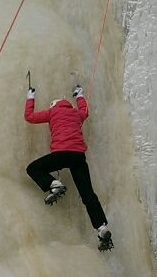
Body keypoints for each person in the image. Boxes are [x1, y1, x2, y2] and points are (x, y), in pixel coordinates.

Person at [24, 84, 113, 251]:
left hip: (61, 153)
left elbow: (29, 117)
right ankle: (102, 228)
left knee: (33, 168)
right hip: (78, 157)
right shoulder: (75, 113)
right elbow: (85, 111)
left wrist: (30, 97)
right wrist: (79, 94)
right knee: (88, 195)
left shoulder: (52, 112)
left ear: (53, 105)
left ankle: (54, 185)